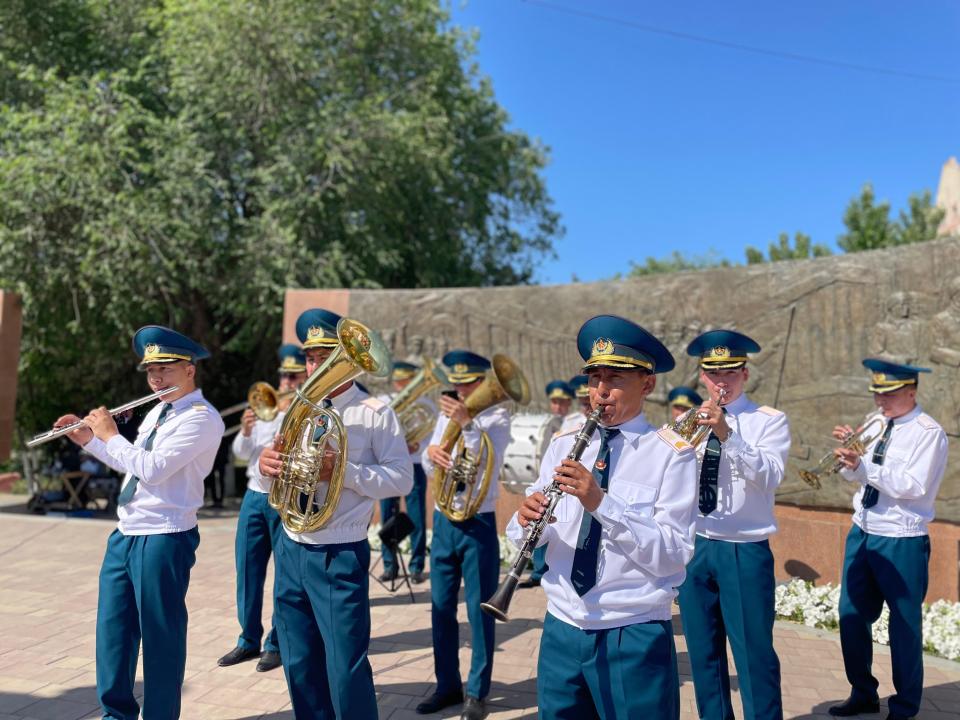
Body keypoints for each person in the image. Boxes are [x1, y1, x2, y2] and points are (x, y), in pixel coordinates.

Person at [506, 315, 698, 720]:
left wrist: (601, 503)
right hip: (562, 625)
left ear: (648, 384)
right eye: (594, 379)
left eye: (615, 379)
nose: (601, 391)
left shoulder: (672, 455)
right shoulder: (563, 445)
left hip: (631, 630)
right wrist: (525, 521)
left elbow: (672, 554)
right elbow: (534, 532)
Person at [56, 325, 223, 720]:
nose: (156, 379)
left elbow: (152, 468)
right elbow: (131, 466)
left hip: (164, 535)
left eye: (165, 369)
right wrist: (89, 440)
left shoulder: (201, 419)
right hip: (127, 532)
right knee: (113, 633)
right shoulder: (158, 412)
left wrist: (109, 433)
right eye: (151, 371)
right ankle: (115, 714)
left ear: (189, 370)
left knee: (161, 637)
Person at [258, 308, 413, 719]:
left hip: (338, 551)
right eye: (310, 358)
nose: (315, 367)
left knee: (345, 668)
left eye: (325, 357)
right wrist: (265, 467)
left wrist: (342, 471)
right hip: (292, 546)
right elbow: (281, 473)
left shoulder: (375, 411)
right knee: (299, 664)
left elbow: (402, 480)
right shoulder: (299, 408)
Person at [677, 330, 791, 720]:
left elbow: (770, 476)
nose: (720, 382)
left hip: (743, 547)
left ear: (744, 374)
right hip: (697, 544)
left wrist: (727, 434)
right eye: (713, 373)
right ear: (702, 377)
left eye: (729, 373)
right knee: (703, 654)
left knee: (753, 655)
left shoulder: (768, 421)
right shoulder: (688, 421)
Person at [828, 359, 948, 720]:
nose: (881, 401)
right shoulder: (876, 421)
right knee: (851, 615)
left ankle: (905, 707)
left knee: (904, 626)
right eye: (877, 394)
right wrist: (850, 460)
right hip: (863, 531)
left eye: (889, 394)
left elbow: (912, 485)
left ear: (911, 391)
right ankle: (863, 693)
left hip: (901, 538)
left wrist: (863, 466)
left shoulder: (928, 432)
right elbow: (859, 477)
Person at [416, 350, 512, 720]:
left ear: (482, 382)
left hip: (478, 522)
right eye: (456, 385)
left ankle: (477, 691)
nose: (460, 391)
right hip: (444, 521)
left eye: (468, 384)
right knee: (440, 607)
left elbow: (487, 464)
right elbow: (431, 461)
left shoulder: (497, 417)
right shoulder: (448, 412)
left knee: (478, 609)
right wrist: (433, 454)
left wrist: (467, 425)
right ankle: (447, 685)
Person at [218, 344, 307, 673]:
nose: (287, 382)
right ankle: (247, 639)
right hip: (255, 496)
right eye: (284, 375)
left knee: (285, 576)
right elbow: (241, 453)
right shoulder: (264, 406)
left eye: (293, 376)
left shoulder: (307, 410)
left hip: (287, 499)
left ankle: (276, 643)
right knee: (247, 570)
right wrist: (245, 429)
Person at [377, 360, 433, 584]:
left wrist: (416, 445)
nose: (402, 386)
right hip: (388, 464)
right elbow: (376, 432)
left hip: (414, 464)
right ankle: (390, 565)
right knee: (387, 515)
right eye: (399, 382)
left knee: (416, 515)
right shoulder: (384, 402)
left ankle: (416, 565)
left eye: (406, 382)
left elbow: (430, 436)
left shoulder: (426, 404)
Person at [519, 379, 575, 589]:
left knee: (559, 526)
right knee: (540, 523)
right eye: (554, 402)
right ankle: (538, 571)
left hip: (566, 482)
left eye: (562, 402)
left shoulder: (575, 422)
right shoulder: (546, 422)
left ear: (569, 403)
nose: (558, 406)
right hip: (545, 478)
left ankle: (549, 570)